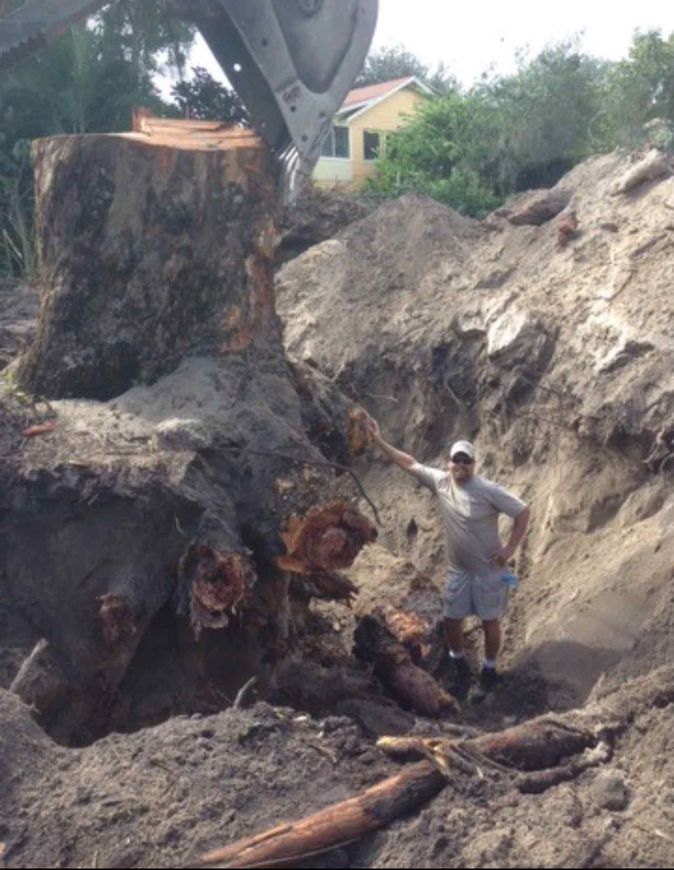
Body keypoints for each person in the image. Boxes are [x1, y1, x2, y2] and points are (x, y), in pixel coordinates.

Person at [364, 415, 530, 696]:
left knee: (490, 622)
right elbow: (409, 463)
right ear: (449, 463)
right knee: (452, 619)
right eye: (457, 460)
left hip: (489, 572)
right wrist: (379, 440)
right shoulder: (441, 483)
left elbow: (523, 512)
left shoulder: (488, 491)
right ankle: (460, 665)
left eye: (467, 461)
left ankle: (490, 670)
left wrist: (509, 550)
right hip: (459, 572)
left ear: (474, 465)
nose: (461, 465)